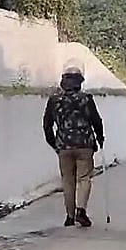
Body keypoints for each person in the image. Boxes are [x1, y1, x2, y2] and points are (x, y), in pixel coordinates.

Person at [43, 66, 105, 228]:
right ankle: (81, 210)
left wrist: (54, 144)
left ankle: (69, 217)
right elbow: (96, 120)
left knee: (67, 181)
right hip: (85, 145)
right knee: (84, 178)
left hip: (64, 145)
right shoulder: (86, 99)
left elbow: (47, 125)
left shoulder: (54, 101)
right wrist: (100, 138)